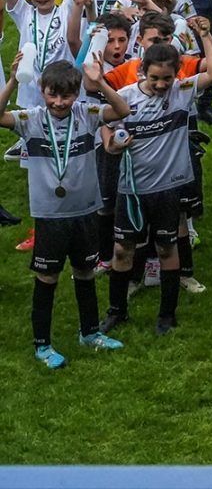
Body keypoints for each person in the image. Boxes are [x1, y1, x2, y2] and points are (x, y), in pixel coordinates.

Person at [2, 59, 131, 368]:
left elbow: (123, 111)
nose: (59, 103)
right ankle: (42, 345)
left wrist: (99, 84)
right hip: (50, 215)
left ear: (76, 93)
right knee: (47, 277)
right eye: (52, 95)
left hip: (85, 210)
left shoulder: (86, 115)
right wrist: (11, 82)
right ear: (42, 91)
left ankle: (89, 333)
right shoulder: (30, 119)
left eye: (66, 96)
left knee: (85, 271)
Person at [99, 37, 212, 337]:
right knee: (122, 249)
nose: (162, 84)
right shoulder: (125, 97)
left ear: (177, 74)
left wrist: (205, 35)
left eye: (167, 78)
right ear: (142, 71)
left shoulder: (182, 92)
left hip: (168, 188)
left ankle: (167, 315)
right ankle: (117, 312)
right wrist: (112, 145)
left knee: (167, 248)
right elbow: (105, 127)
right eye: (154, 78)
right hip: (132, 190)